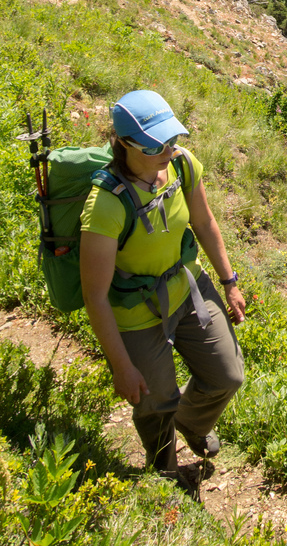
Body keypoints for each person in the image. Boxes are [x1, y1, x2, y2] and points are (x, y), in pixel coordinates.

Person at [80, 89, 246, 477]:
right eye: (157, 145)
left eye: (172, 138)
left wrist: (229, 281)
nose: (169, 149)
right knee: (154, 402)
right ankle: (166, 473)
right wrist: (121, 366)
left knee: (227, 375)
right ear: (125, 144)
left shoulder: (181, 164)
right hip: (135, 311)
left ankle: (190, 421)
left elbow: (204, 222)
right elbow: (95, 296)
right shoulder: (105, 206)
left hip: (187, 287)